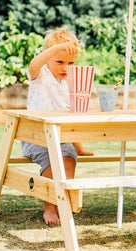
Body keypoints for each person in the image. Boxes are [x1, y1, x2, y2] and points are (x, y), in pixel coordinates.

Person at [21, 27, 93, 225]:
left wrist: (79, 147)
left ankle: (63, 200)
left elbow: (73, 118)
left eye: (70, 63)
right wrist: (55, 49)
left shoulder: (70, 83)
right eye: (59, 62)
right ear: (49, 58)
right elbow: (34, 64)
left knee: (68, 158)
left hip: (61, 138)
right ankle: (49, 206)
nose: (65, 68)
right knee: (53, 160)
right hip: (36, 138)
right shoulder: (40, 75)